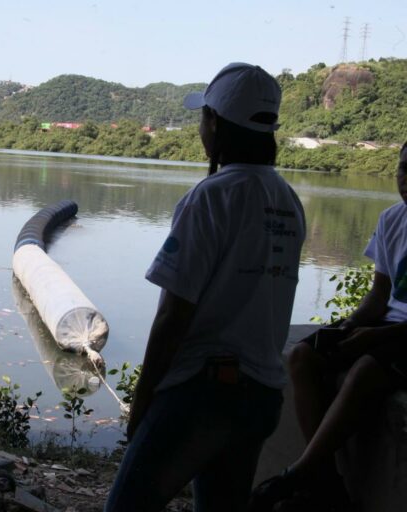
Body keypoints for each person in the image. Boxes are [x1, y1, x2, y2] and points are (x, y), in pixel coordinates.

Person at [104, 63, 306, 512]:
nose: (201, 127)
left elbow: (173, 315)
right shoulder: (288, 200)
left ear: (216, 123)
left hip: (205, 393)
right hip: (262, 395)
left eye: (203, 118)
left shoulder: (212, 196)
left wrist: (142, 407)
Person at [249, 142, 407, 511]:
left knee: (367, 367)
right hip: (387, 328)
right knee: (304, 355)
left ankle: (302, 473)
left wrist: (376, 336)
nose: (405, 179)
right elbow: (379, 294)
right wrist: (350, 325)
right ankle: (328, 485)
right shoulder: (392, 219)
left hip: (400, 339)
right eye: (403, 168)